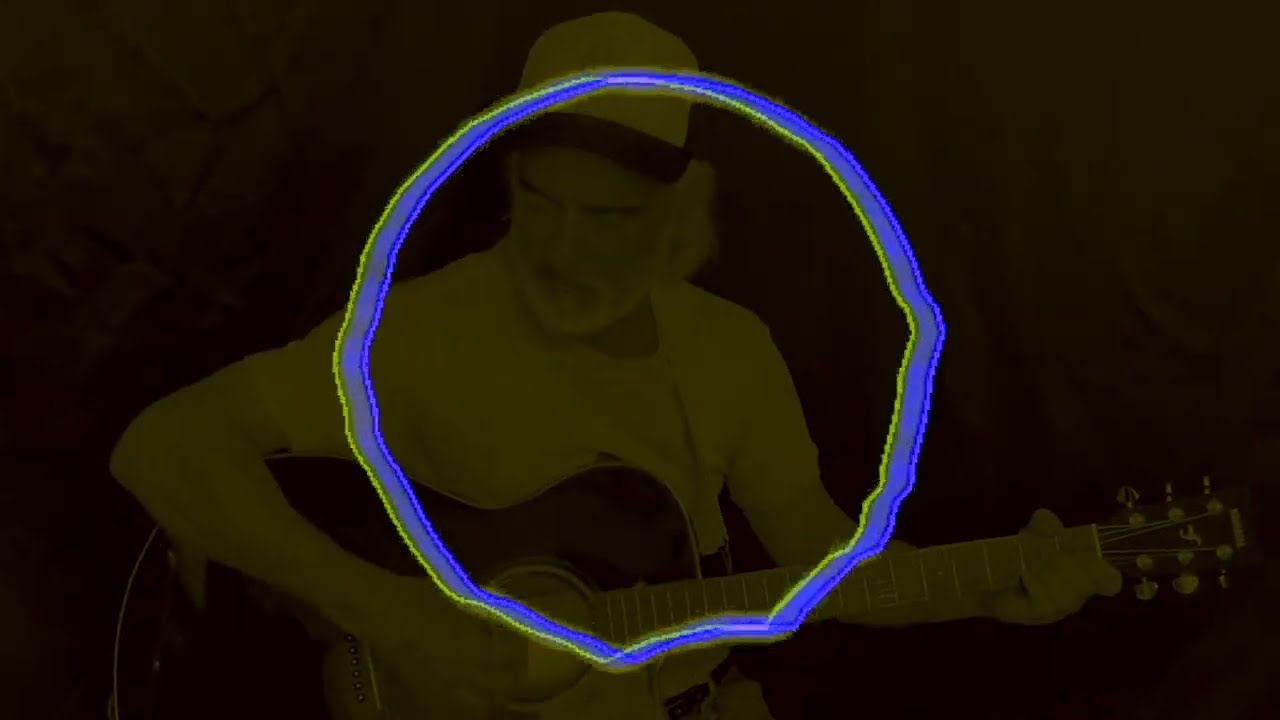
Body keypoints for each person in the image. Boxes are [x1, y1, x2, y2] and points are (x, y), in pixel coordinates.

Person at [109, 11, 1121, 719]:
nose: (561, 248)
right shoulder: (409, 331)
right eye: (540, 202)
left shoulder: (728, 350)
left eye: (607, 217)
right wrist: (386, 614)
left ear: (678, 213)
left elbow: (824, 565)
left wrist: (990, 588)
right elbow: (159, 448)